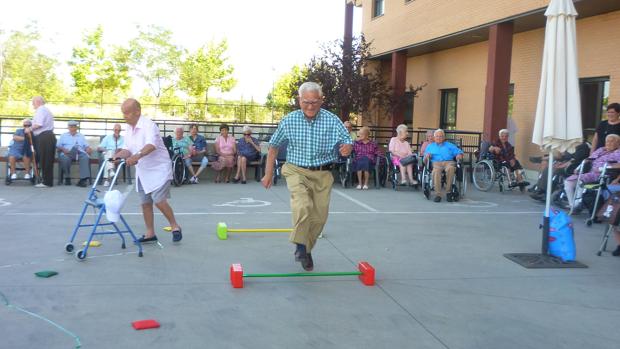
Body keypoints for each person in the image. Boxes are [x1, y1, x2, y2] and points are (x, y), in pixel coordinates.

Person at [261, 82, 352, 271]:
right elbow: (273, 147)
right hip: (296, 170)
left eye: (314, 102)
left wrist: (347, 148)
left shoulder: (332, 120)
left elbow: (347, 141)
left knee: (319, 218)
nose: (310, 106)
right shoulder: (289, 120)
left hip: (323, 173)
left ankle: (307, 248)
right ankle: (300, 246)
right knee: (303, 205)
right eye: (305, 102)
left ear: (321, 100)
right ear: (299, 100)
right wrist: (268, 173)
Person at [114, 98, 182, 244]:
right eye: (123, 113)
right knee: (145, 203)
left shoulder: (149, 125)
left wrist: (137, 156)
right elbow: (127, 149)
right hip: (143, 171)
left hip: (159, 168)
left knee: (158, 200)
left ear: (137, 111)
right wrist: (119, 155)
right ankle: (150, 233)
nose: (124, 116)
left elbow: (151, 145)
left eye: (127, 113)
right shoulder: (128, 129)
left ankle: (175, 226)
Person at [564, 134, 620, 212]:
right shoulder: (601, 150)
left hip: (604, 175)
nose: (609, 143)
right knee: (568, 182)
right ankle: (572, 205)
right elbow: (589, 159)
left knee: (580, 181)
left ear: (618, 143)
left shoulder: (618, 153)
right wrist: (578, 167)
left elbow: (619, 165)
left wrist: (606, 167)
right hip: (591, 173)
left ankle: (577, 204)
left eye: (612, 141)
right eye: (607, 141)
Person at [424, 129, 464, 202]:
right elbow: (425, 160)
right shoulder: (430, 146)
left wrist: (459, 155)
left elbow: (459, 152)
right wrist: (427, 156)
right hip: (436, 162)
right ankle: (438, 194)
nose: (439, 138)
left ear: (444, 137)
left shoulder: (450, 145)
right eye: (437, 136)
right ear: (434, 137)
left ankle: (448, 192)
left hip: (449, 162)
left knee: (451, 169)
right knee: (436, 171)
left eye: (441, 136)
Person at [24, 96, 55, 188]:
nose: (32, 104)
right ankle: (46, 180)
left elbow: (39, 124)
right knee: (44, 159)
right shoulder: (43, 110)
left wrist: (29, 129)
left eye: (33, 102)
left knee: (46, 159)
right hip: (45, 136)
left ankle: (47, 182)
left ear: (38, 102)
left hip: (45, 137)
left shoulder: (41, 110)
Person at [57, 120, 93, 187]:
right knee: (64, 158)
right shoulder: (63, 136)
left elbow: (86, 146)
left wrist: (88, 149)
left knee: (85, 157)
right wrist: (63, 149)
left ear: (76, 128)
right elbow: (58, 146)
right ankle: (67, 177)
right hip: (68, 153)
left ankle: (83, 179)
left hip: (79, 153)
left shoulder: (81, 136)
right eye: (71, 127)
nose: (73, 128)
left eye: (74, 127)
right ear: (68, 128)